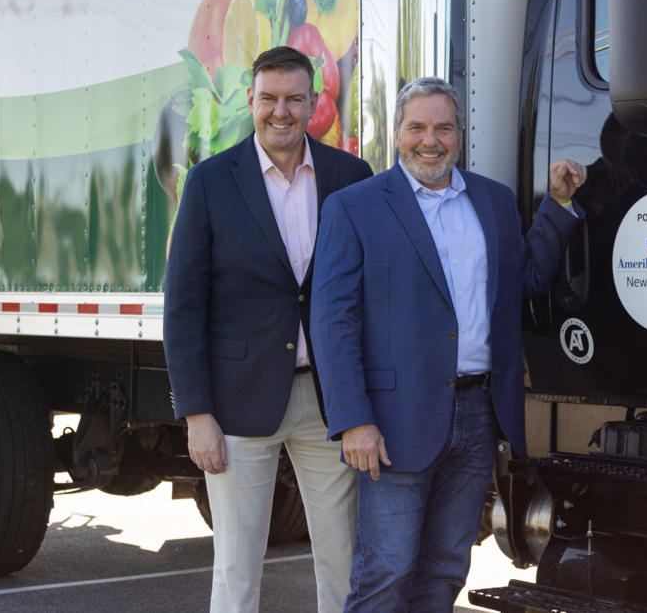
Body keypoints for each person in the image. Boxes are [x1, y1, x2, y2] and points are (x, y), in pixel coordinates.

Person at [310, 76, 586, 612]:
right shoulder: (354, 207)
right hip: (392, 421)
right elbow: (332, 321)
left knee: (445, 568)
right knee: (385, 571)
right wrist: (352, 420)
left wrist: (556, 206)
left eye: (443, 127)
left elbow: (523, 285)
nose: (429, 140)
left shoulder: (493, 201)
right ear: (396, 133)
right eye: (417, 127)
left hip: (479, 414)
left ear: (461, 134)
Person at [163, 46, 373, 613]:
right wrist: (197, 414)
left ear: (313, 103)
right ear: (251, 102)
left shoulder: (351, 178)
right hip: (237, 403)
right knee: (237, 568)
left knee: (345, 560)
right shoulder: (210, 183)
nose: (281, 111)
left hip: (331, 403)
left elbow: (367, 296)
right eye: (269, 99)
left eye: (294, 99)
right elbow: (183, 308)